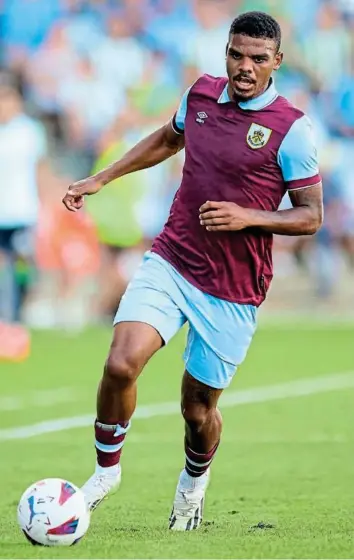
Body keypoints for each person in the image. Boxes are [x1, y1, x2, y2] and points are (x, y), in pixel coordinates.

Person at [62, 11, 323, 531]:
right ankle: (105, 472)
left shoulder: (290, 128)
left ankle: (192, 486)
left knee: (197, 409)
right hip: (173, 259)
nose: (244, 67)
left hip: (233, 290)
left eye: (257, 58)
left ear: (277, 62)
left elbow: (311, 215)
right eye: (236, 54)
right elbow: (166, 138)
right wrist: (102, 177)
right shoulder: (201, 95)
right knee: (120, 364)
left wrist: (247, 216)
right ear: (225, 51)